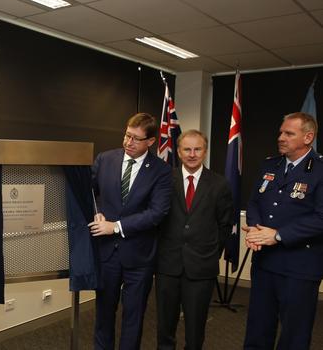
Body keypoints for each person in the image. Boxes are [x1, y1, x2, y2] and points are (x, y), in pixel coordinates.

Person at [89, 112, 172, 350]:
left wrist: (115, 226)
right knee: (103, 314)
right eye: (127, 135)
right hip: (107, 255)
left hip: (139, 257)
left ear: (150, 141)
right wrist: (97, 212)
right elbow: (90, 192)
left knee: (133, 318)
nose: (128, 142)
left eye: (136, 138)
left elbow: (157, 213)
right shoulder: (105, 159)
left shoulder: (161, 171)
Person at [243, 112, 323, 350]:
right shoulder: (270, 165)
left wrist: (277, 235)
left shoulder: (319, 170)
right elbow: (255, 202)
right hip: (265, 262)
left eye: (289, 133)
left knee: (294, 332)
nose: (281, 137)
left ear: (308, 137)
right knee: (258, 326)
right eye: (281, 132)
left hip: (300, 266)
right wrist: (256, 230)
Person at [155, 129, 233, 350]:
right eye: (187, 149)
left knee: (196, 329)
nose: (192, 154)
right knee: (164, 327)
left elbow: (224, 226)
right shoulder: (164, 180)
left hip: (201, 268)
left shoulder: (219, 184)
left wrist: (208, 253)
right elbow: (156, 220)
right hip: (168, 266)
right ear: (178, 152)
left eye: (197, 149)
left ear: (205, 151)